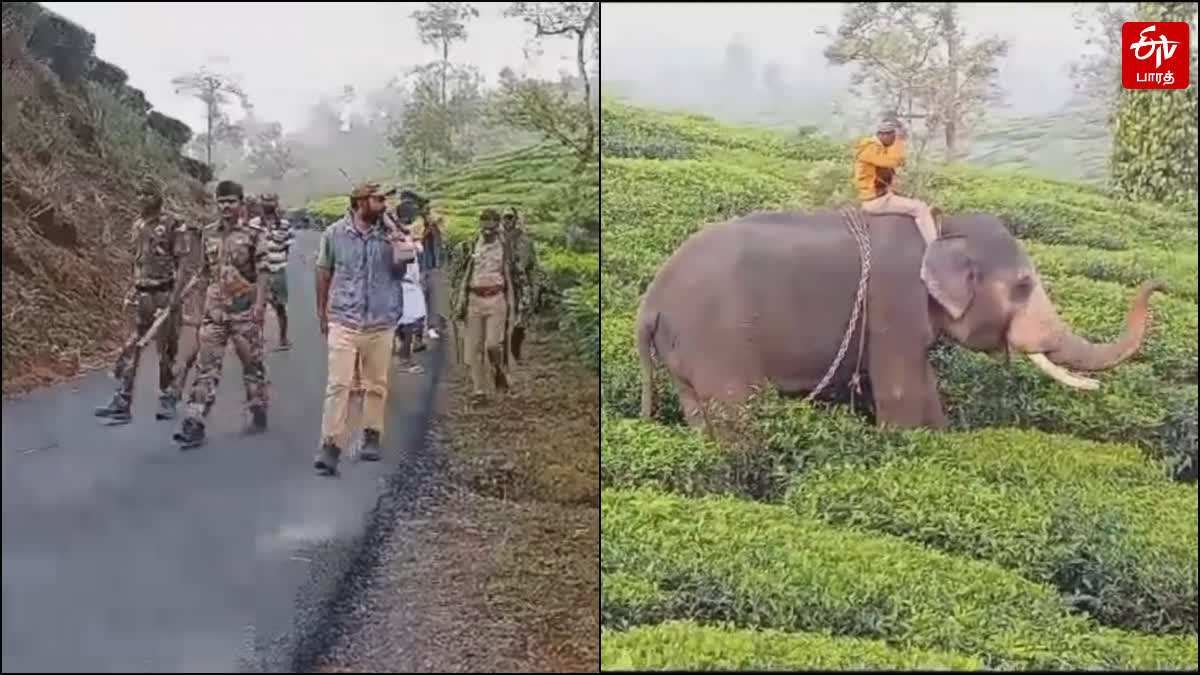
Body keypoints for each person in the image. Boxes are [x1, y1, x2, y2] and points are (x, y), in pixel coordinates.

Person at [313, 182, 415, 476]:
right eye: (379, 200)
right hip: (344, 318)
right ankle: (330, 445)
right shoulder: (334, 234)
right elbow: (323, 272)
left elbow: (401, 269)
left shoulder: (389, 234)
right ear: (360, 202)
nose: (384, 205)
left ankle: (372, 434)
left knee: (376, 383)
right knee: (339, 384)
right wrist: (322, 312)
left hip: (381, 319)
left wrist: (399, 241)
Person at [172, 180, 271, 449]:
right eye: (222, 201)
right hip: (214, 313)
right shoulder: (208, 234)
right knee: (207, 368)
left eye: (231, 201)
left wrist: (260, 306)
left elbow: (263, 271)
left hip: (244, 312)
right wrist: (189, 298)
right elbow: (205, 270)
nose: (226, 206)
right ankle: (194, 421)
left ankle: (258, 405)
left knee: (252, 366)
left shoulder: (253, 234)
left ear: (241, 203)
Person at [94, 178, 189, 424]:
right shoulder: (137, 225)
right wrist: (131, 289)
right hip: (141, 294)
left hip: (164, 294)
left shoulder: (173, 224)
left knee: (166, 351)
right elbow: (136, 261)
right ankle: (122, 401)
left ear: (157, 197)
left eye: (147, 194)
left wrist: (175, 298)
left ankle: (167, 399)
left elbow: (182, 266)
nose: (141, 198)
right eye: (138, 193)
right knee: (131, 347)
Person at [453, 209, 520, 404]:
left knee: (492, 345)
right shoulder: (471, 244)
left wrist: (513, 305)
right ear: (480, 225)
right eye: (485, 226)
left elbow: (509, 276)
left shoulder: (505, 246)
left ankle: (498, 370)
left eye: (492, 226)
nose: (488, 230)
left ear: (497, 226)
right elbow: (465, 274)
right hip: (474, 299)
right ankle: (479, 391)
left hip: (496, 299)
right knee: (474, 348)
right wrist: (460, 301)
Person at [853, 117, 939, 244]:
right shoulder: (870, 150)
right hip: (877, 201)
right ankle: (935, 247)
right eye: (893, 136)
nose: (894, 140)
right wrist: (899, 142)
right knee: (921, 208)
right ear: (884, 135)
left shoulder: (876, 148)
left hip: (882, 197)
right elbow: (893, 161)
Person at [251, 193, 296, 351]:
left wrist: (280, 262)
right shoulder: (253, 224)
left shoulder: (285, 225)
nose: (268, 203)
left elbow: (288, 247)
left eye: (271, 200)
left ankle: (283, 339)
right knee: (258, 305)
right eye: (265, 200)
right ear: (260, 203)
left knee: (280, 306)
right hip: (258, 272)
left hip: (277, 270)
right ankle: (257, 338)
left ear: (276, 203)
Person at [501, 206, 538, 364]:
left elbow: (532, 267)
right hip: (500, 285)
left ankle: (515, 352)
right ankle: (503, 353)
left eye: (511, 218)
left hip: (521, 285)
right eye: (506, 218)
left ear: (516, 219)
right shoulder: (495, 240)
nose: (508, 221)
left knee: (520, 320)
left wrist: (534, 288)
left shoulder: (526, 241)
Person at [393, 202, 427, 374]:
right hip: (405, 285)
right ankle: (404, 360)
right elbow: (408, 258)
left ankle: (401, 353)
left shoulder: (402, 234)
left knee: (406, 322)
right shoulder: (398, 236)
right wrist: (408, 240)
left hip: (406, 284)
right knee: (408, 323)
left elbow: (418, 248)